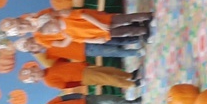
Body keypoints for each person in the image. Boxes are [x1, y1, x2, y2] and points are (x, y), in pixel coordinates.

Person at [33, 9, 152, 48]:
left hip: (103, 21)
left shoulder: (66, 17)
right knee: (125, 32)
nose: (53, 32)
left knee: (125, 19)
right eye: (50, 33)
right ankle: (144, 31)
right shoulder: (67, 35)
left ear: (51, 21)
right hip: (101, 34)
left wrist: (100, 25)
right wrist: (97, 41)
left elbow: (84, 15)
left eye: (50, 28)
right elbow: (83, 39)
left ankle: (148, 16)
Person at [19, 60, 139, 91]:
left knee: (109, 71)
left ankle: (129, 75)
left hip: (84, 68)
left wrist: (83, 64)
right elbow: (66, 86)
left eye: (33, 70)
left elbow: (66, 64)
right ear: (36, 81)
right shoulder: (49, 81)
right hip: (83, 77)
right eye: (33, 76)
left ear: (35, 67)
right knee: (108, 79)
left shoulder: (50, 67)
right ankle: (131, 84)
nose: (36, 73)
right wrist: (81, 82)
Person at [14, 35, 144, 63]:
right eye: (31, 47)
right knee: (112, 52)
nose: (34, 44)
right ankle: (136, 53)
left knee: (111, 39)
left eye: (31, 42)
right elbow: (49, 65)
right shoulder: (47, 54)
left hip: (83, 38)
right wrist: (37, 54)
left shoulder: (46, 35)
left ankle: (136, 39)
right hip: (84, 51)